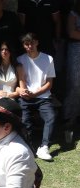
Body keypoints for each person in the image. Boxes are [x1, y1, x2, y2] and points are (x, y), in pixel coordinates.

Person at [17, 33, 56, 161]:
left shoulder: (48, 59)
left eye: (32, 43)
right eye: (26, 44)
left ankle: (44, 146)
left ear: (37, 42)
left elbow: (49, 83)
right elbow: (21, 80)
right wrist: (24, 91)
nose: (30, 46)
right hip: (27, 96)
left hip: (43, 96)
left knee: (50, 117)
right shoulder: (20, 59)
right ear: (23, 46)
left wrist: (36, 93)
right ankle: (29, 147)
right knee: (24, 120)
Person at [63, 0, 80, 145]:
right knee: (75, 84)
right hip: (76, 50)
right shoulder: (73, 13)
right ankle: (70, 119)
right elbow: (72, 32)